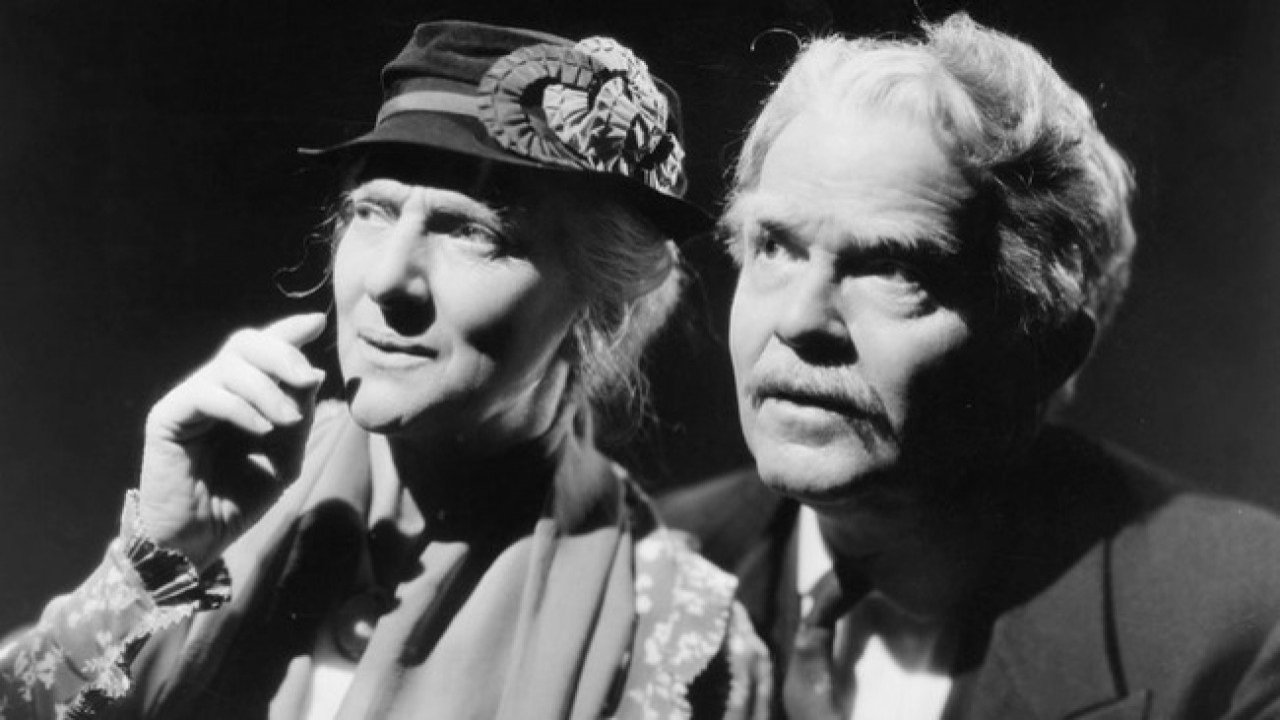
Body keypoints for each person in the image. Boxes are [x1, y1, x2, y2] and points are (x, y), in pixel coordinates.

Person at [0, 20, 770, 720]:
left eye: (473, 231)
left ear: (601, 302)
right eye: (370, 211)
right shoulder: (237, 482)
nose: (388, 278)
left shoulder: (670, 629)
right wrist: (153, 565)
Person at [659, 12, 1280, 720]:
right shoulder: (642, 567)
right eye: (774, 247)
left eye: (892, 268)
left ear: (1047, 350)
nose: (800, 321)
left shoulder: (1240, 626)